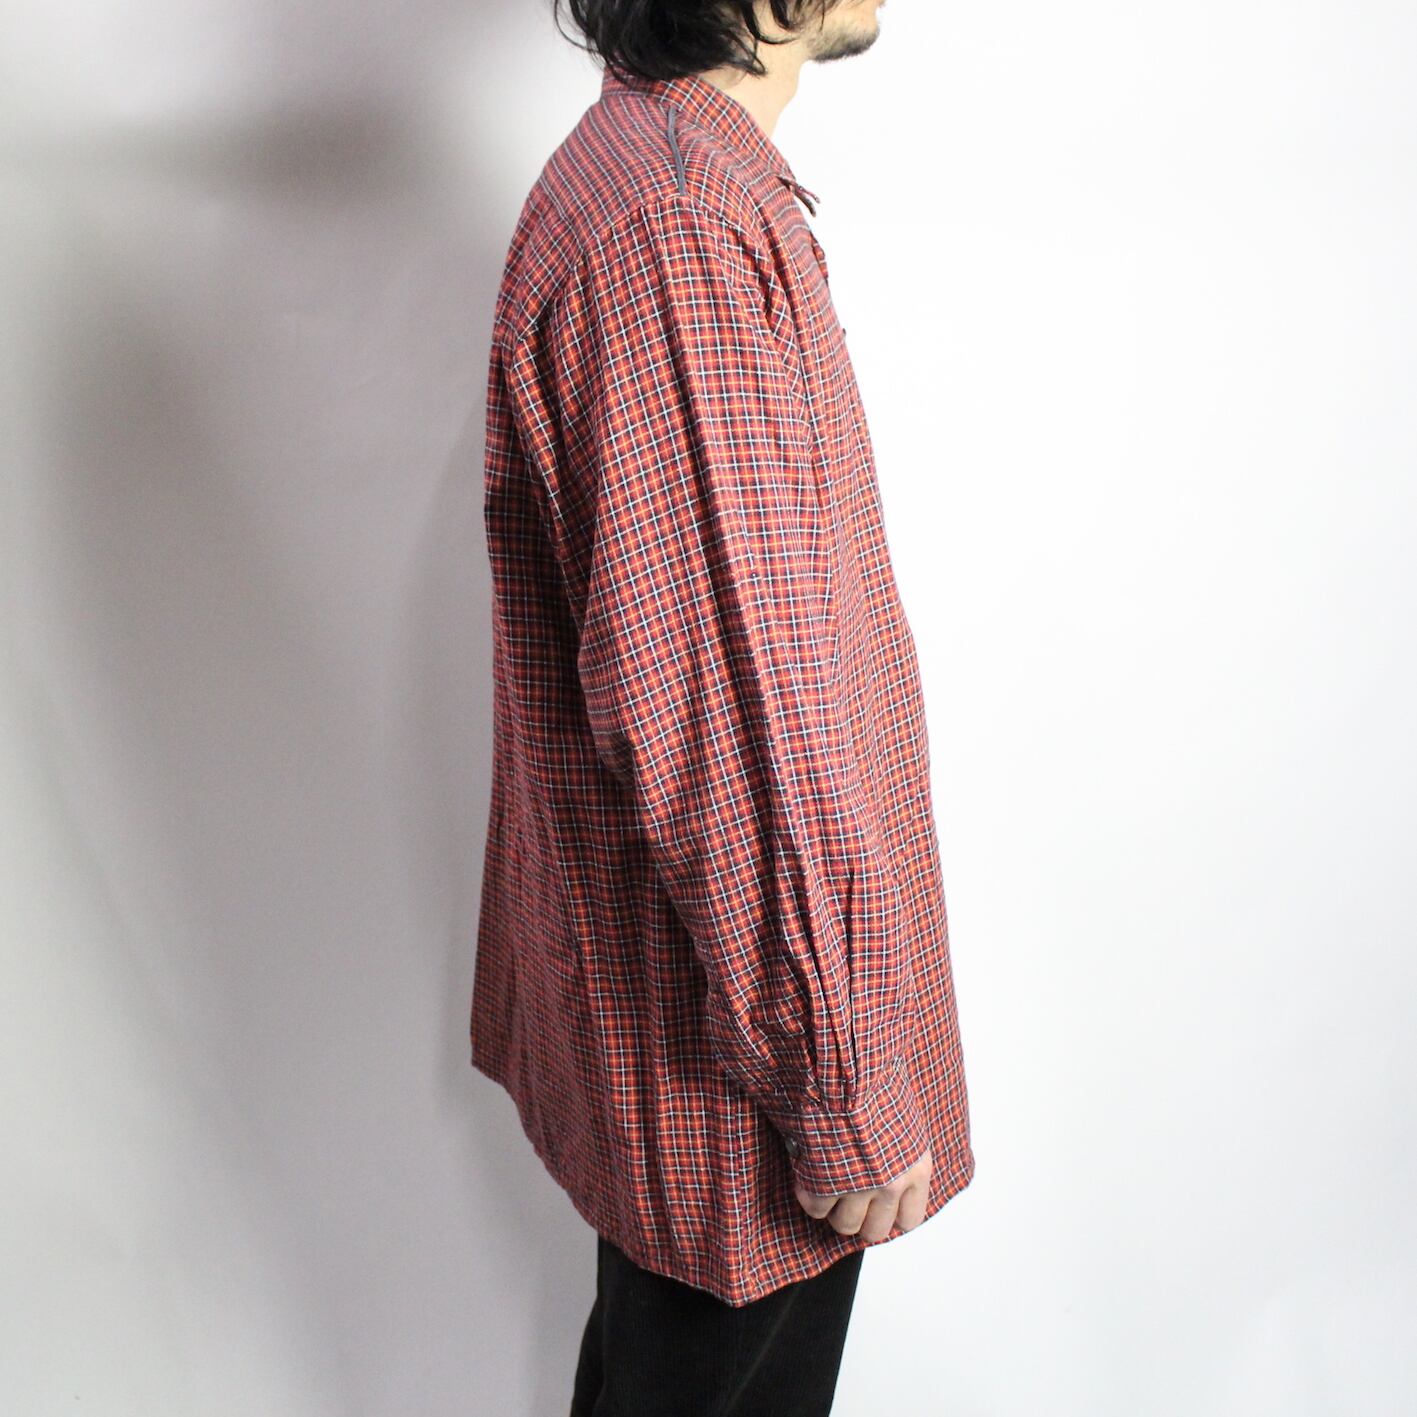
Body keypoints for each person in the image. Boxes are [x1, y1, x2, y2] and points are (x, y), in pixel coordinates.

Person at [469, 2, 975, 1410]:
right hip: (739, 1072)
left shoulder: (656, 177)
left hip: (712, 1026)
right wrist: (844, 1078)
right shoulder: (677, 234)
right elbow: (731, 709)